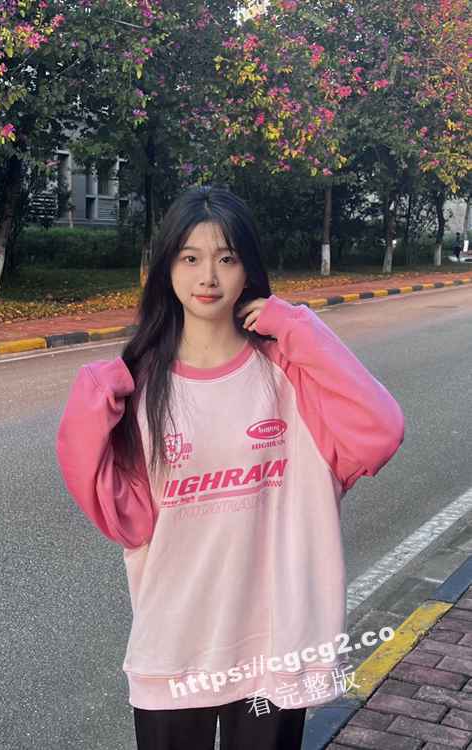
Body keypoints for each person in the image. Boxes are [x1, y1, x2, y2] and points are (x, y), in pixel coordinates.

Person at [55, 185, 405, 750]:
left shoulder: (291, 374)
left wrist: (296, 326)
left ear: (248, 270)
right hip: (175, 654)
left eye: (226, 258)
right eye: (190, 258)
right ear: (167, 268)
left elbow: (381, 429)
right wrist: (96, 396)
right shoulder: (139, 390)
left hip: (275, 653)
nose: (208, 277)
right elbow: (125, 520)